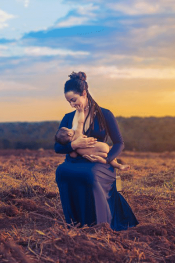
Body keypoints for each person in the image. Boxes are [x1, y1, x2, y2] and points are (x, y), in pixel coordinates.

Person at [54, 71, 139, 231]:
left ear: (84, 93)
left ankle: (100, 225)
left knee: (89, 175)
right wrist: (74, 144)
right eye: (69, 101)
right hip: (74, 161)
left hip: (100, 163)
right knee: (62, 171)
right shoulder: (67, 117)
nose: (72, 104)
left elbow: (119, 143)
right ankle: (74, 223)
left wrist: (107, 161)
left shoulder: (104, 114)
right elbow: (57, 147)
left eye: (74, 100)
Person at [54, 103, 130, 171]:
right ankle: (118, 165)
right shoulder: (77, 134)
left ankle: (116, 164)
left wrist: (72, 148)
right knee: (107, 155)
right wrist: (81, 112)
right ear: (69, 134)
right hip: (101, 147)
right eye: (69, 129)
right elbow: (80, 122)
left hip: (96, 154)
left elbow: (73, 155)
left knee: (103, 156)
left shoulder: (73, 149)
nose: (71, 128)